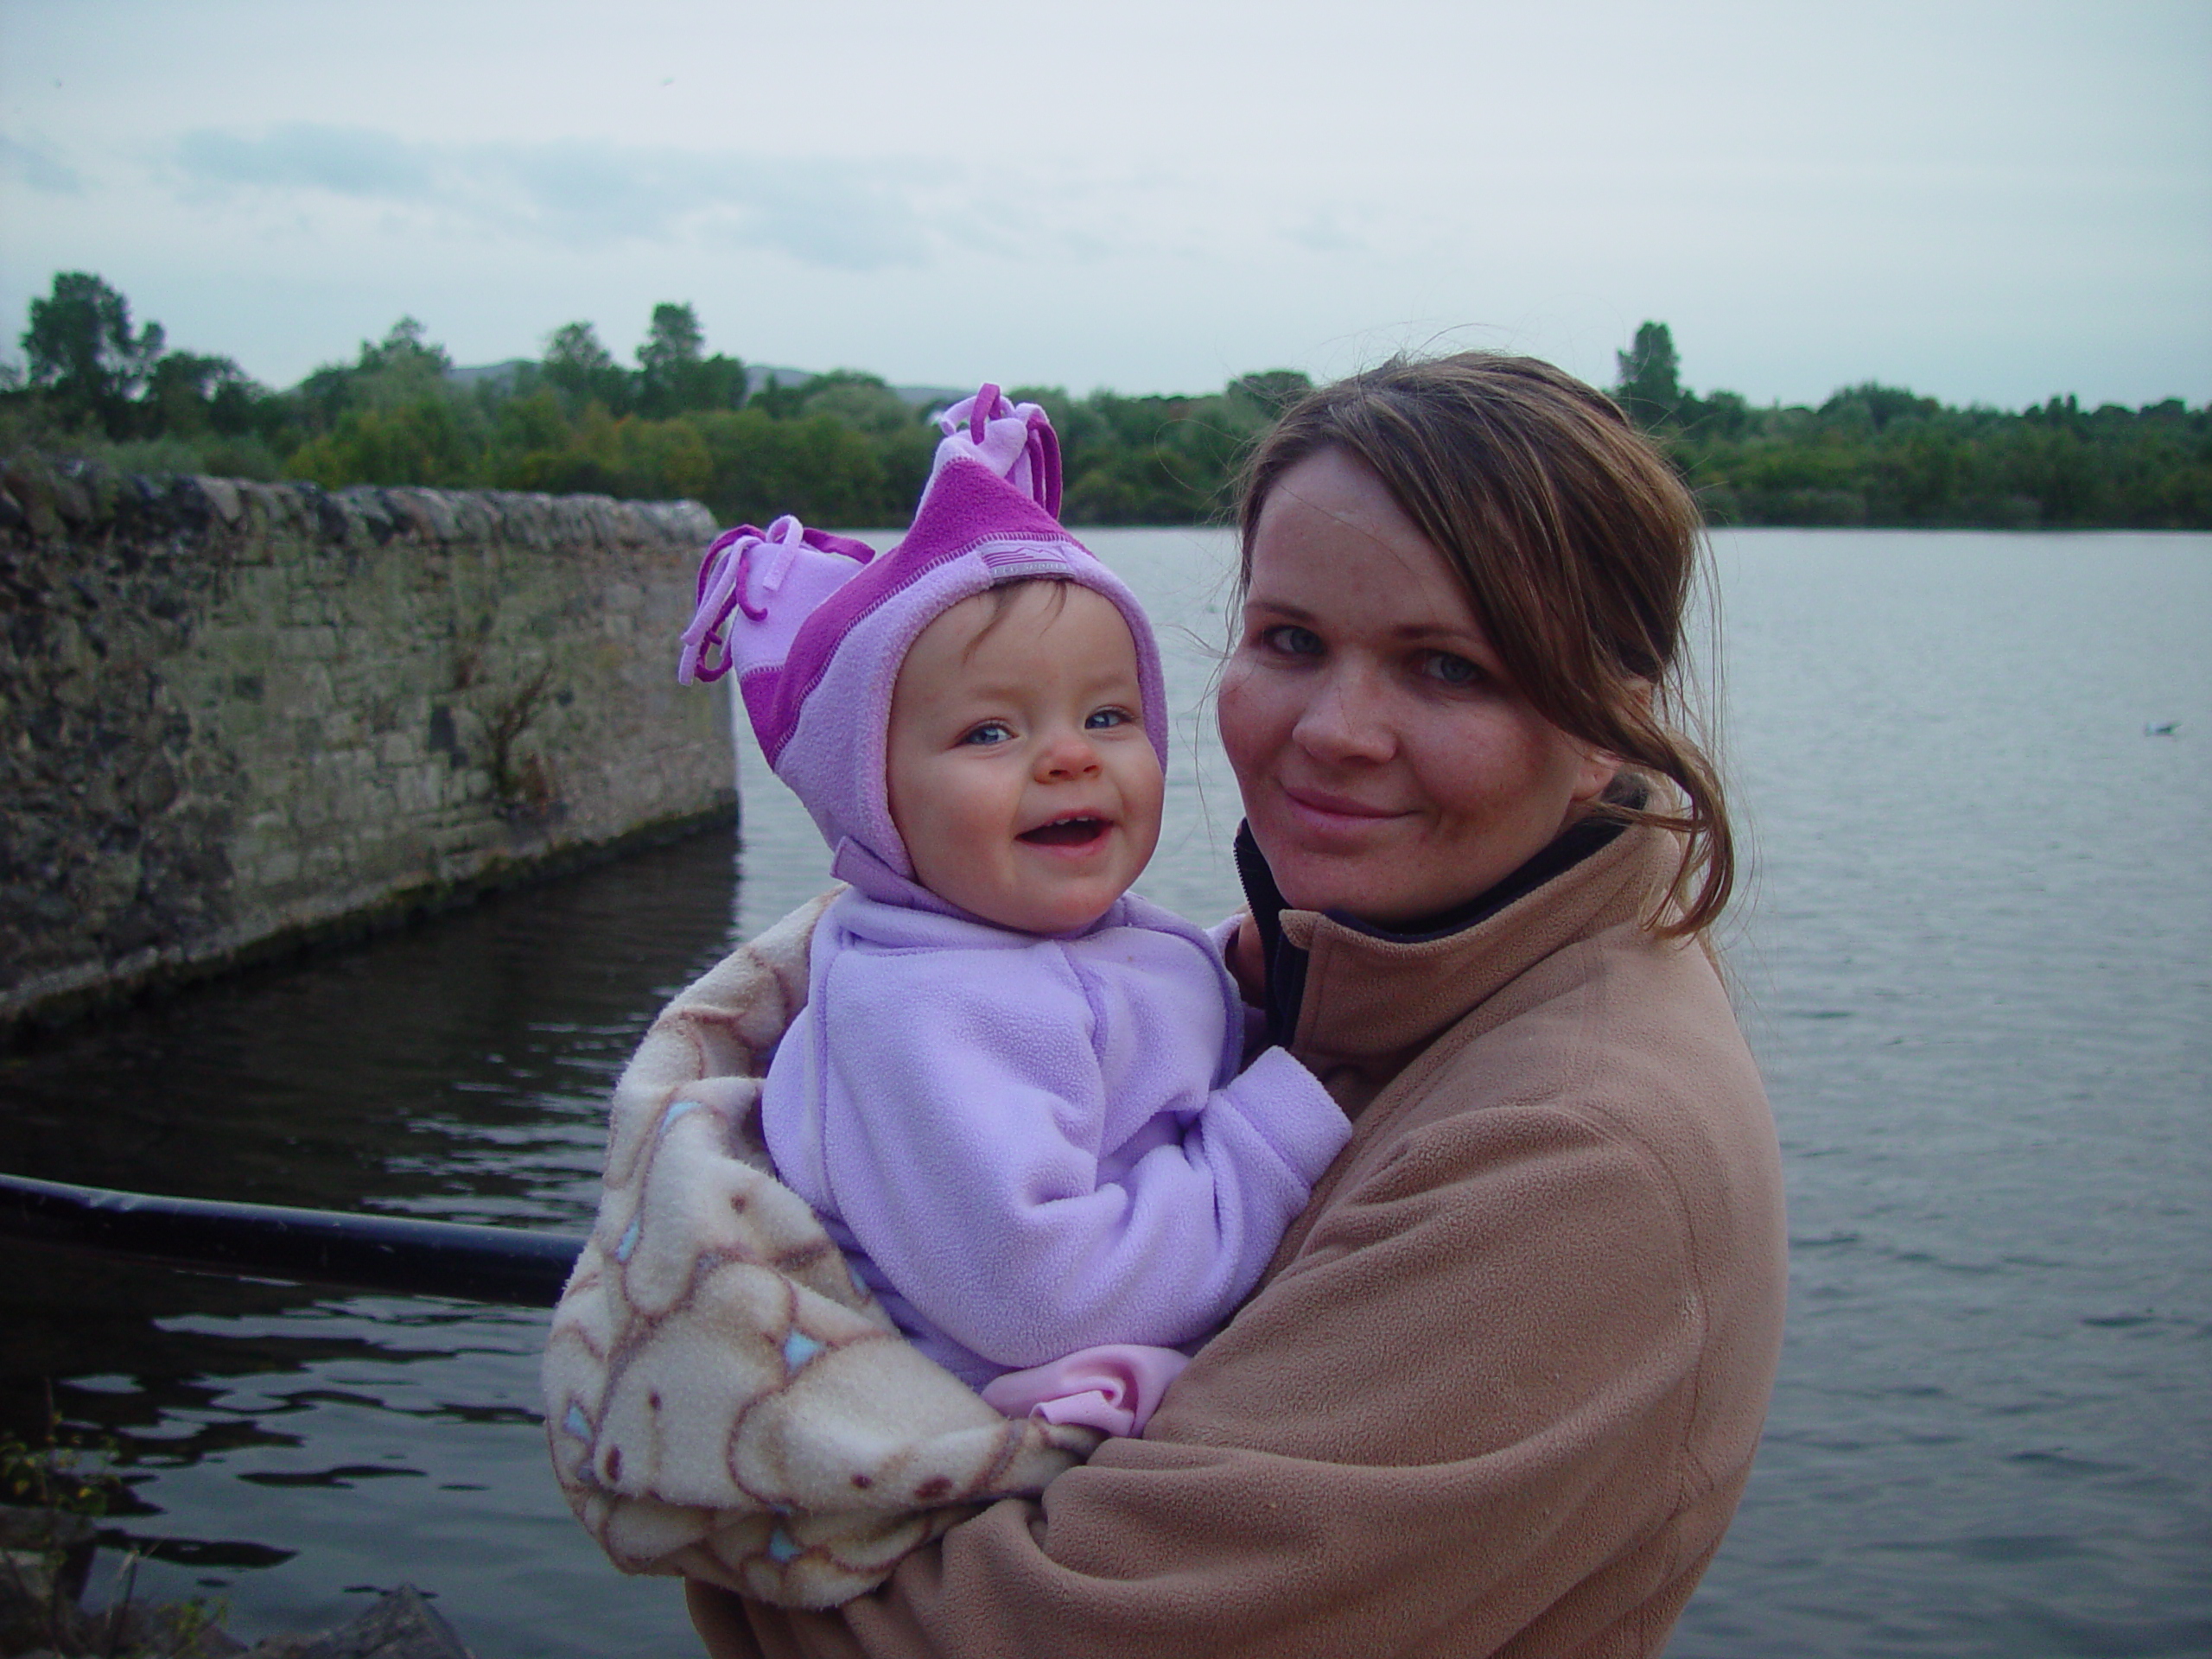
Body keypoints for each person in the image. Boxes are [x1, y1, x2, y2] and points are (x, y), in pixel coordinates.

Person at [683, 353, 1789, 1657]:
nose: (1335, 730)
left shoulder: (1573, 1157)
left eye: (1447, 668)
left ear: (1612, 719)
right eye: (1291, 641)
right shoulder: (1349, 979)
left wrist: (713, 1446)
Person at [680, 385, 1350, 1426]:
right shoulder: (928, 1012)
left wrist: (1242, 984)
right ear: (873, 796)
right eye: (990, 733)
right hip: (1017, 1396)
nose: (1070, 754)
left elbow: (1127, 1040)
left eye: (1107, 713)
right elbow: (1041, 1299)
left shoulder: (1054, 937)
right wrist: (1268, 1134)